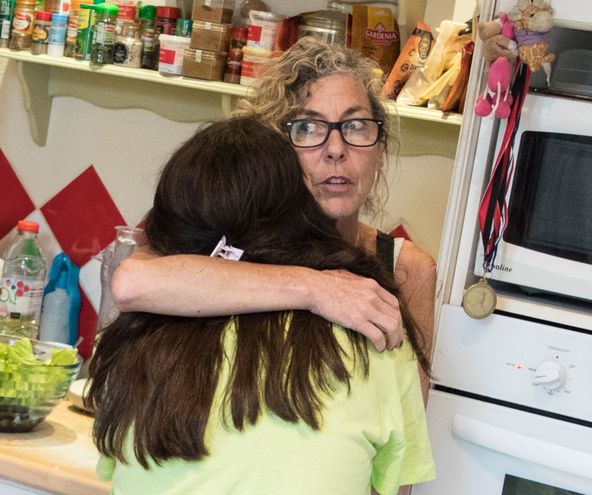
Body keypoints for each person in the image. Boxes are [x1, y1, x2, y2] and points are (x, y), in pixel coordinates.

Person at [88, 117, 435, 495]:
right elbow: (396, 486)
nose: (333, 150)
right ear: (299, 211)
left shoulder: (138, 339)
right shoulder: (376, 328)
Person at [110, 37, 436, 401]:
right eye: (307, 129)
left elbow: (411, 418)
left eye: (356, 125)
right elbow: (131, 283)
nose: (336, 150)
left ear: (379, 150)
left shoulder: (408, 269)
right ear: (274, 150)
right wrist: (317, 289)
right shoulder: (226, 234)